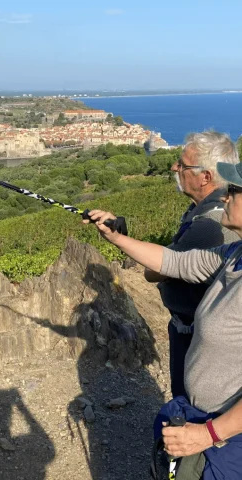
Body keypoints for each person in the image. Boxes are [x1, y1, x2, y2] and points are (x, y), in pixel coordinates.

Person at [83, 159, 242, 478]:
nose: (225, 196)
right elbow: (174, 262)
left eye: (235, 191)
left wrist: (208, 435)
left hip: (226, 438)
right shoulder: (233, 255)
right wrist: (117, 238)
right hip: (201, 416)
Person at [144, 131, 239, 397]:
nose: (175, 167)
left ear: (205, 177)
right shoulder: (201, 212)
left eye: (182, 165)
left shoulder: (209, 225)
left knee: (188, 404)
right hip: (193, 330)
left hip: (194, 336)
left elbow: (157, 270)